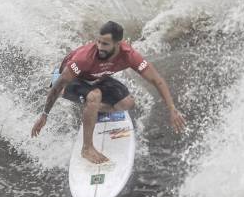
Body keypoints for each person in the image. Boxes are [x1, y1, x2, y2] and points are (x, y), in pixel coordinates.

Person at [30, 21, 186, 164]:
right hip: (66, 81)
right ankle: (87, 148)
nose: (99, 47)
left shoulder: (129, 55)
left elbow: (156, 80)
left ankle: (91, 109)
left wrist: (172, 109)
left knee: (127, 103)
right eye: (98, 41)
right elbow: (58, 85)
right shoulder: (84, 58)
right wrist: (44, 115)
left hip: (95, 78)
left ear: (118, 44)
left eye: (105, 44)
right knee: (94, 96)